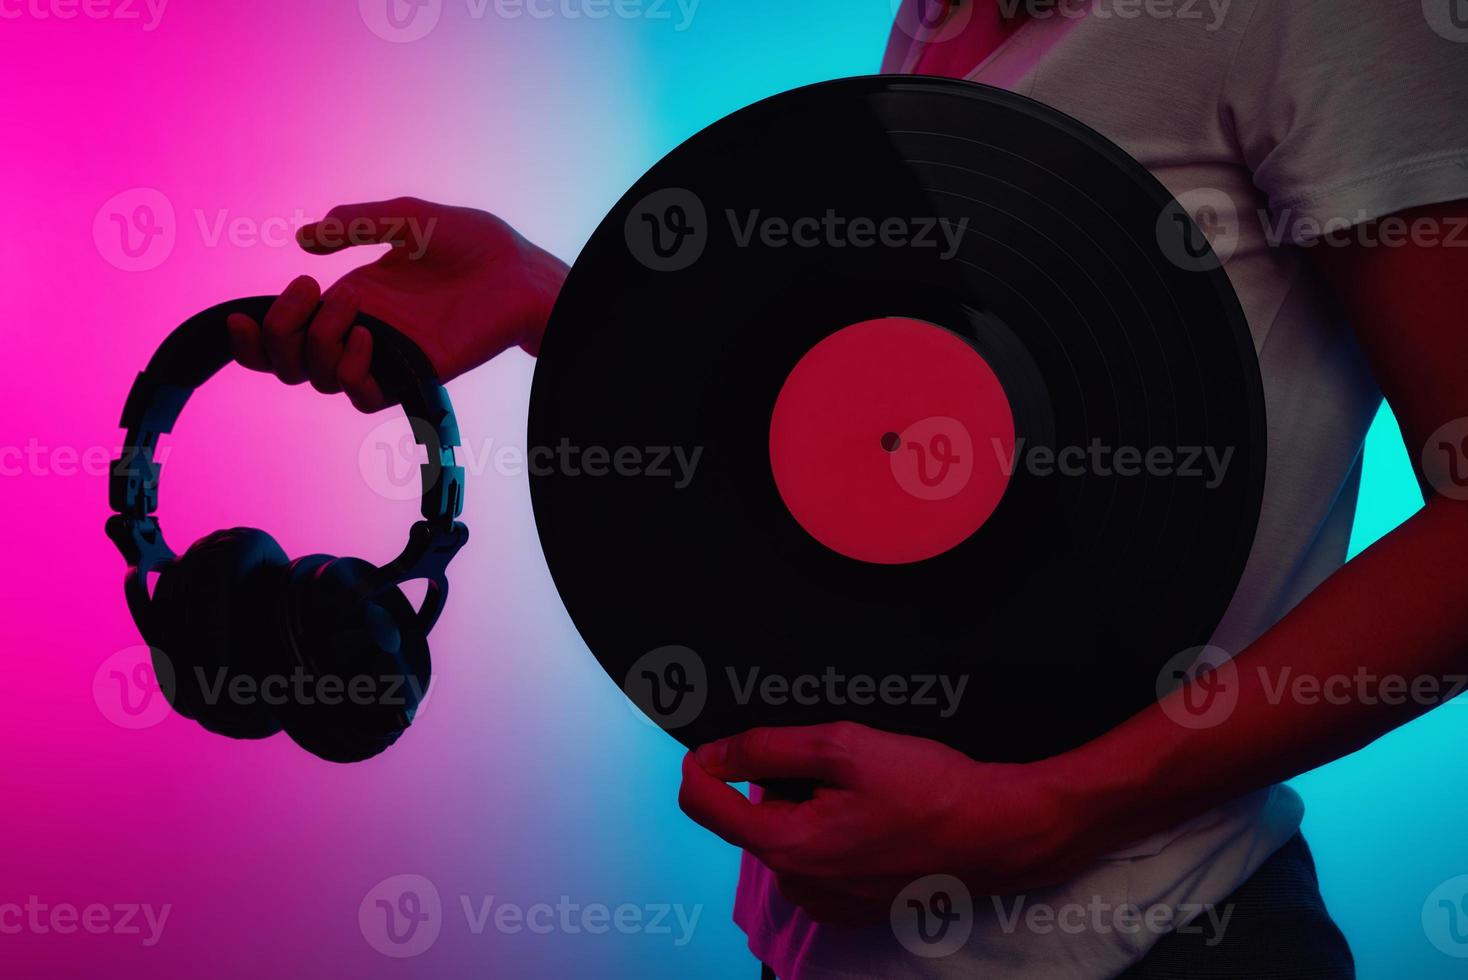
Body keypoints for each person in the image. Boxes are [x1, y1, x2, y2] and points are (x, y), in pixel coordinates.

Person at [226, 1, 1468, 976]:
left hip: (1154, 945)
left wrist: (1048, 812)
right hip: (813, 945)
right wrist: (550, 301)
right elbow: (918, 430)